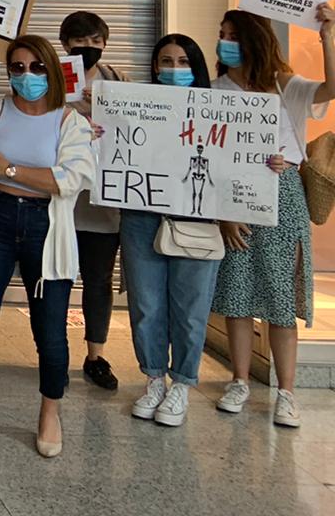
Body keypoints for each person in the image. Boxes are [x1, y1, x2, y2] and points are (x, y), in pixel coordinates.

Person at [0, 34, 95, 461]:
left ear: (52, 70)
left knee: (50, 332)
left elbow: (68, 180)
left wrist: (6, 168)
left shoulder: (71, 123)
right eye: (17, 68)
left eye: (36, 68)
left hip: (47, 228)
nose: (27, 76)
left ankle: (50, 412)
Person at [210, 4, 333, 429]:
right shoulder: (215, 89)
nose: (222, 42)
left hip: (284, 196)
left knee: (281, 296)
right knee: (237, 292)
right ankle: (239, 381)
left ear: (251, 39)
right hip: (234, 199)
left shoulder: (286, 85)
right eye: (221, 34)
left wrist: (327, 36)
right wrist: (223, 214)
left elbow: (330, 89)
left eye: (230, 34)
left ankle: (287, 392)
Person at [122, 34, 223, 427]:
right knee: (145, 305)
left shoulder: (221, 110)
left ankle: (182, 383)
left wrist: (266, 165)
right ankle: (153, 379)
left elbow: (236, 162)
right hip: (140, 216)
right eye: (166, 61)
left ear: (196, 66)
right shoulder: (137, 107)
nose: (174, 69)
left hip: (196, 220)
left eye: (183, 61)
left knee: (190, 308)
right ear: (154, 66)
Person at [61, 10, 127, 391]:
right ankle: (53, 351)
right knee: (54, 277)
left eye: (95, 42)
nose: (88, 49)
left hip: (103, 203)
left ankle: (95, 355)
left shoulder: (117, 81)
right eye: (80, 42)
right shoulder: (53, 78)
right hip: (64, 197)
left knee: (98, 281)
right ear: (65, 44)